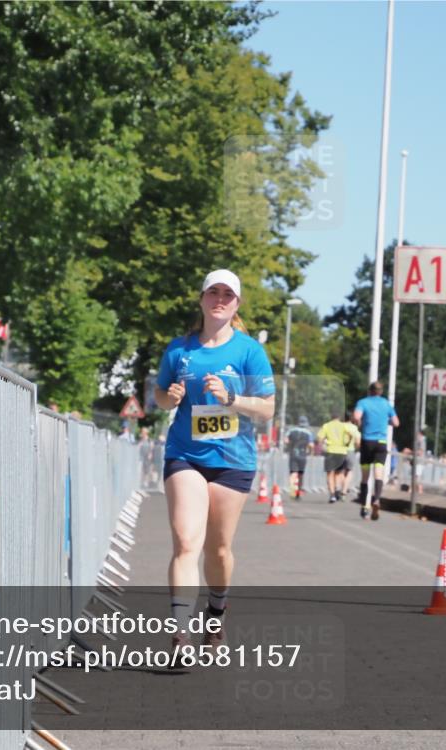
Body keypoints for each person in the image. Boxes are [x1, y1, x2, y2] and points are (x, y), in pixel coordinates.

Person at [154, 269, 276, 659]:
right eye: (213, 292)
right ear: (202, 299)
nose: (220, 299)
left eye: (228, 294)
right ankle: (179, 637)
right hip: (185, 454)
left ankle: (217, 613)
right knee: (187, 542)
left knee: (218, 550)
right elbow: (159, 395)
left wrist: (231, 399)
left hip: (232, 459)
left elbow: (268, 409)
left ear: (237, 303)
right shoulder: (179, 349)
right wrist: (169, 398)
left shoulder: (249, 351)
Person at [353, 381, 400, 521]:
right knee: (378, 474)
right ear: (381, 391)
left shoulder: (363, 402)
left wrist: (360, 423)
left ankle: (364, 507)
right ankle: (377, 499)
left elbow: (356, 416)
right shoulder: (386, 404)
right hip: (381, 443)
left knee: (365, 476)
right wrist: (387, 422)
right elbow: (396, 422)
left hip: (367, 442)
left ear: (370, 391)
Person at [316, 410, 358, 503]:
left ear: (331, 417)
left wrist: (322, 445)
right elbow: (350, 436)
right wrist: (346, 444)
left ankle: (332, 495)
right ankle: (337, 489)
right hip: (342, 452)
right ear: (339, 418)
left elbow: (319, 438)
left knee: (330, 473)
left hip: (331, 451)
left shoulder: (326, 426)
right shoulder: (343, 426)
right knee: (339, 473)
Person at [285, 415, 314, 500]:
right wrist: (309, 450)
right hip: (303, 454)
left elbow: (286, 440)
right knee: (300, 474)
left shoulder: (291, 430)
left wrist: (290, 445)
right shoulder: (308, 433)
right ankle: (298, 491)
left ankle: (292, 491)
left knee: (293, 473)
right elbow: (311, 445)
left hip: (293, 453)